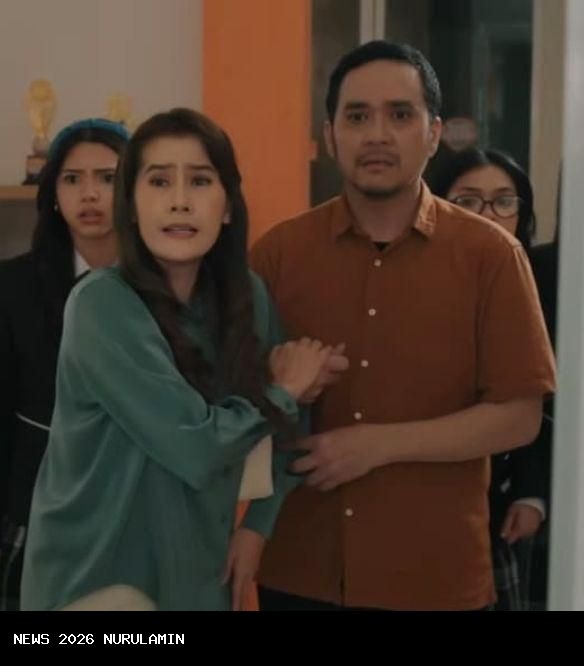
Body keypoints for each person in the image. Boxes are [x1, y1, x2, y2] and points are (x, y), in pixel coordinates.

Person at [249, 41, 556, 611]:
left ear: (433, 133)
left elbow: (520, 416)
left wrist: (378, 445)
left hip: (436, 576)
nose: (377, 135)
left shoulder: (492, 255)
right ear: (330, 134)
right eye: (357, 116)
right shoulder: (278, 255)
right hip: (301, 570)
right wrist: (277, 382)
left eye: (400, 114)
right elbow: (229, 398)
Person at [20, 107, 348, 611]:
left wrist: (257, 528)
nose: (179, 201)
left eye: (199, 181)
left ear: (227, 206)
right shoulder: (101, 304)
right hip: (94, 582)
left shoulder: (246, 297)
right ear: (131, 206)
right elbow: (196, 446)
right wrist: (285, 388)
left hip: (197, 572)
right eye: (158, 181)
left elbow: (289, 426)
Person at [0, 118, 130, 610]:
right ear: (53, 194)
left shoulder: (160, 282)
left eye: (107, 178)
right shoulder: (17, 283)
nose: (90, 194)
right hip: (38, 505)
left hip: (133, 508)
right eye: (72, 179)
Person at [428, 147, 548, 610]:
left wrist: (532, 492)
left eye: (504, 201)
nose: (489, 215)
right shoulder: (413, 283)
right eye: (468, 201)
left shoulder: (541, 285)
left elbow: (545, 404)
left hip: (499, 500)